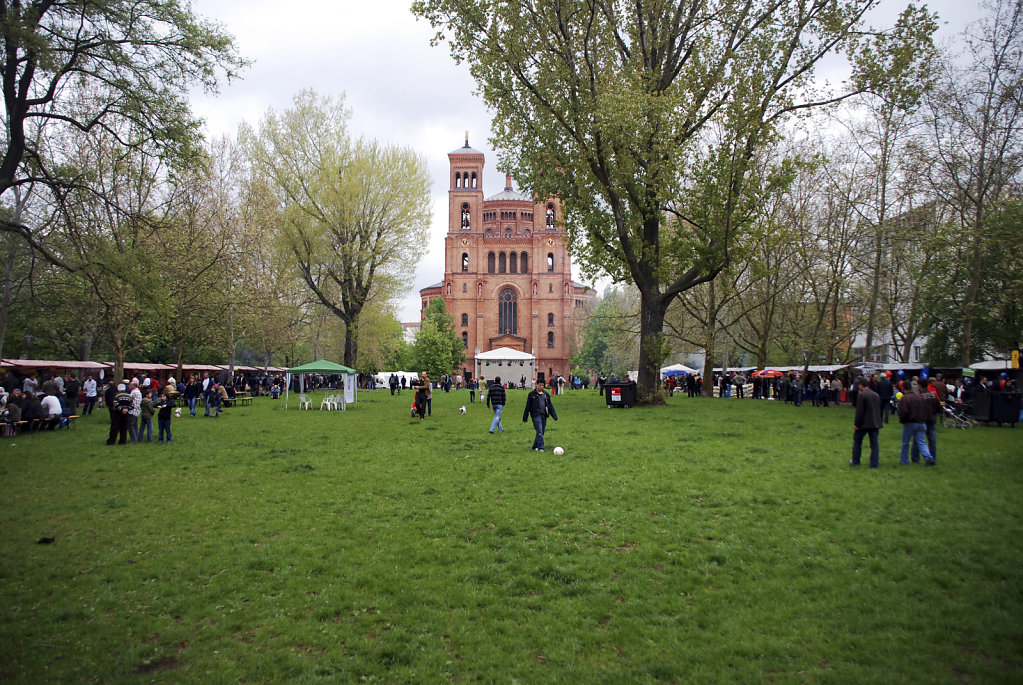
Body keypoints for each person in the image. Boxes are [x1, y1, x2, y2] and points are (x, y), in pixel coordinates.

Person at [898, 380, 934, 466]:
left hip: (909, 422)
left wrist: (902, 420)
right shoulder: (919, 397)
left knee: (905, 442)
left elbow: (903, 412)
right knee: (922, 442)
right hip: (921, 422)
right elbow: (926, 409)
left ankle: (904, 460)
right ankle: (928, 457)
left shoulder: (905, 398)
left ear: (903, 388)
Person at [849, 377, 883, 467]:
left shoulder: (861, 395)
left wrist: (857, 424)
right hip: (875, 422)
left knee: (857, 441)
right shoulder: (876, 395)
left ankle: (856, 461)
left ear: (861, 385)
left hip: (864, 423)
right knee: (874, 444)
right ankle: (874, 463)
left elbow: (859, 411)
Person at [522, 380, 558, 451]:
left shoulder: (546, 394)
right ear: (536, 385)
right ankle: (541, 447)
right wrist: (525, 417)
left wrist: (554, 415)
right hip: (536, 415)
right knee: (539, 431)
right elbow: (528, 406)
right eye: (540, 385)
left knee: (541, 432)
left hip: (544, 415)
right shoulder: (532, 394)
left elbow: (550, 405)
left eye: (542, 385)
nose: (541, 387)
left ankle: (535, 446)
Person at [912, 383, 942, 464]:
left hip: (921, 420)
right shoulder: (933, 395)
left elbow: (915, 409)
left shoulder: (918, 396)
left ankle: (915, 458)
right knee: (932, 440)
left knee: (917, 439)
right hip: (932, 420)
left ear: (920, 386)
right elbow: (939, 408)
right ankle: (933, 458)